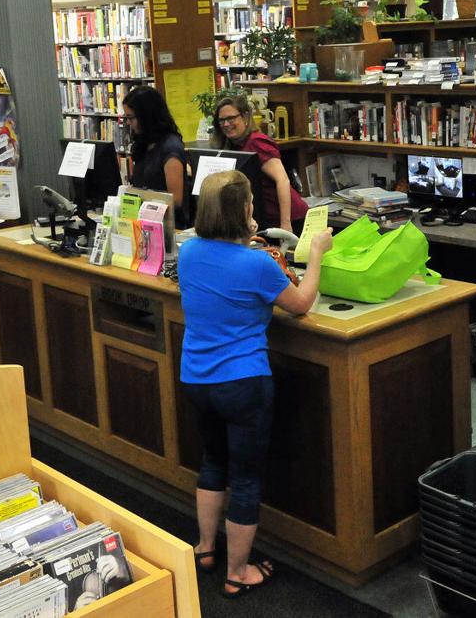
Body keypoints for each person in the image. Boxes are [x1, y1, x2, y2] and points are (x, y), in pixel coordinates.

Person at [177, 169, 332, 599]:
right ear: (242, 210)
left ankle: (206, 548)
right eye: (249, 205)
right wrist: (316, 252)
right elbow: (300, 305)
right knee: (245, 478)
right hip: (243, 382)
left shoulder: (188, 252)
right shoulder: (257, 264)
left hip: (196, 377)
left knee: (212, 462)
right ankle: (238, 571)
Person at [213, 95, 308, 233]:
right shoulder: (233, 145)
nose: (226, 124)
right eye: (222, 120)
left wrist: (285, 224)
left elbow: (282, 180)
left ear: (245, 117)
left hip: (291, 220)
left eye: (231, 118)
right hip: (266, 220)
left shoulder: (256, 142)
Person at [123, 85, 189, 223]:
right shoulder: (145, 143)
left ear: (146, 116)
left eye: (131, 118)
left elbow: (175, 200)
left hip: (168, 223)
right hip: (144, 220)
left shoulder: (171, 148)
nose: (128, 123)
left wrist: (144, 198)